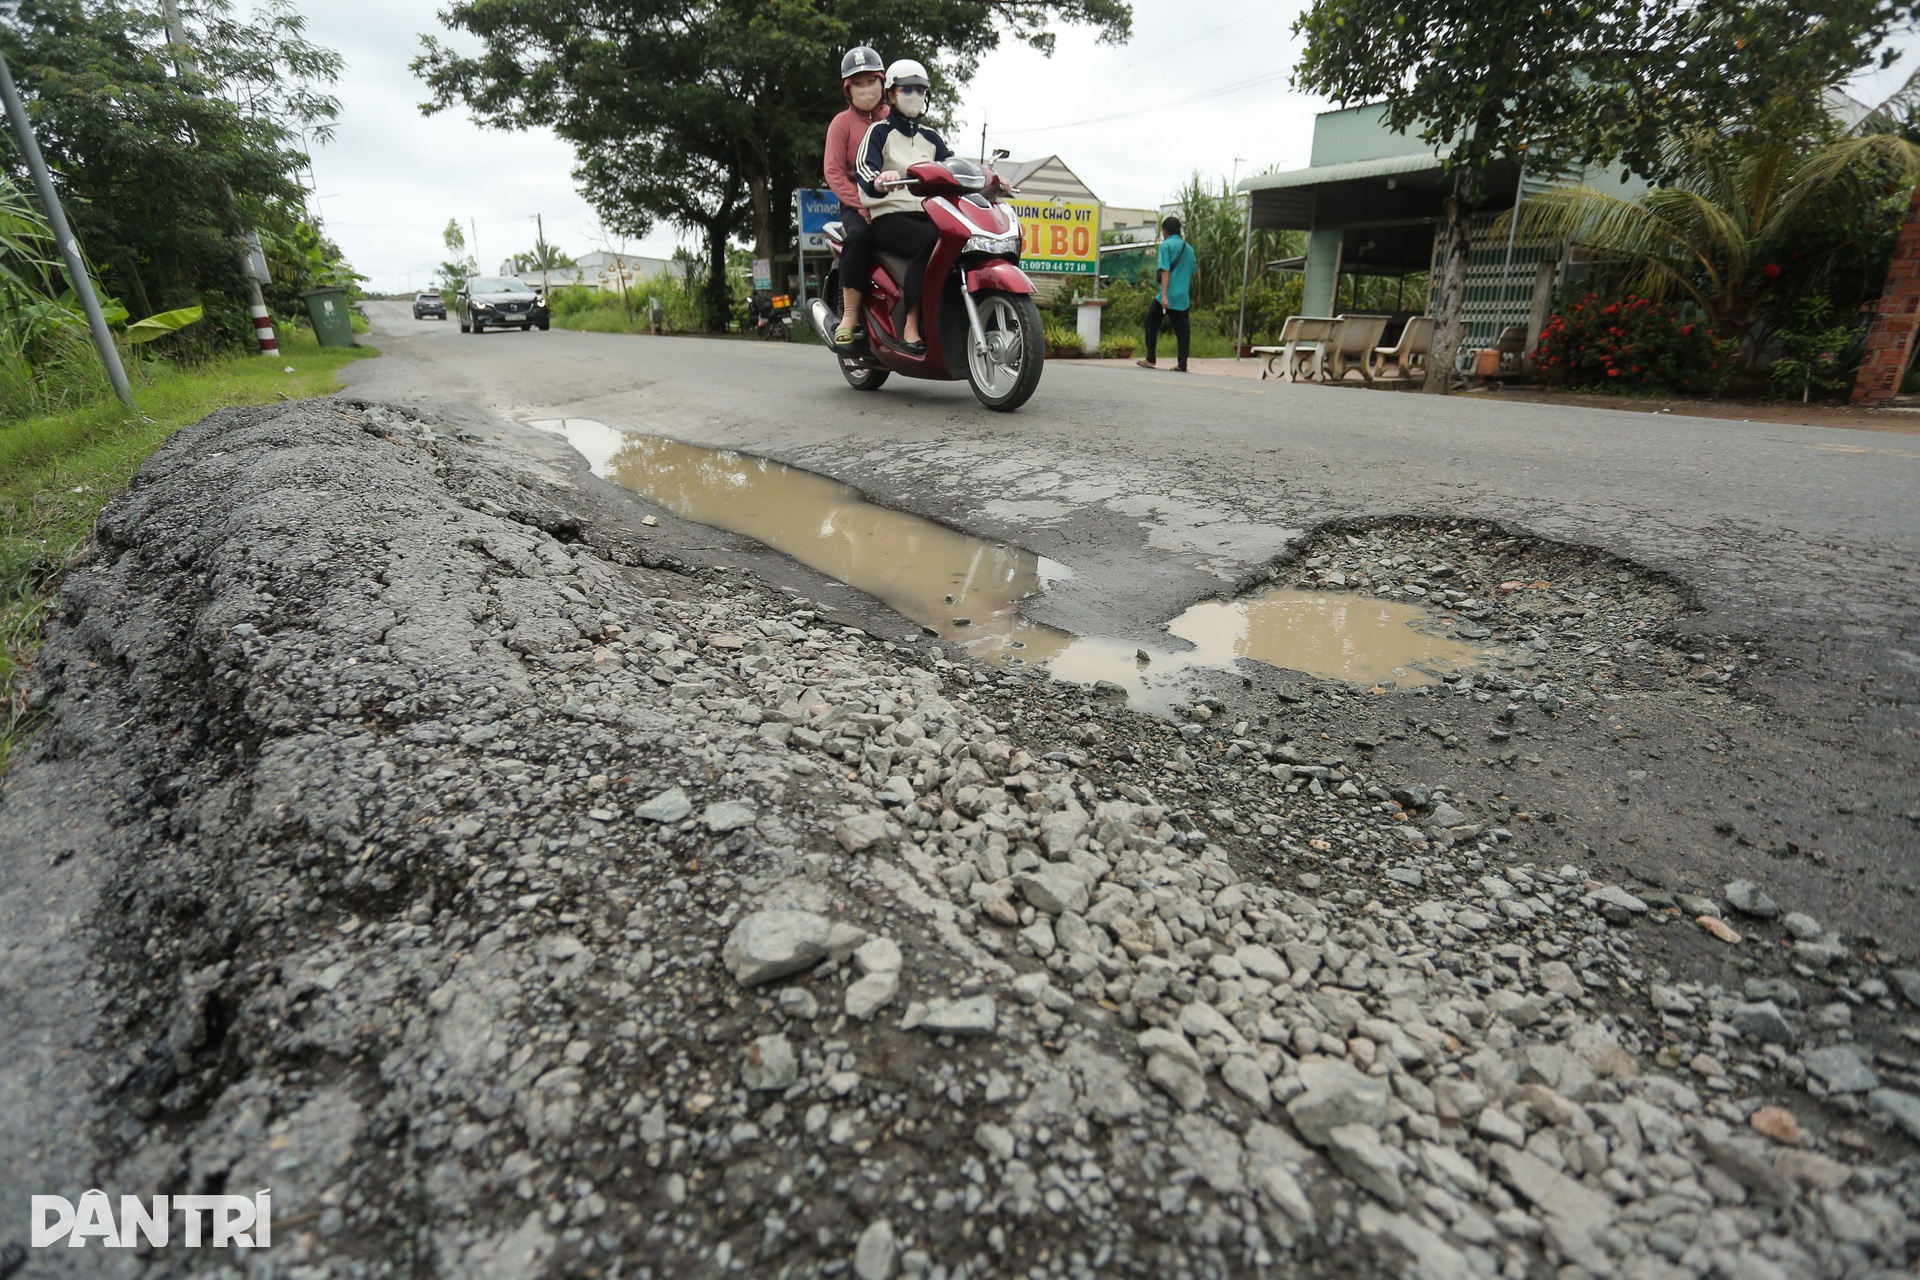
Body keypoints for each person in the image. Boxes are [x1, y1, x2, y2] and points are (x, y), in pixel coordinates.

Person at [856, 59, 953, 354]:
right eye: (907, 88)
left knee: (959, 240)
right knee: (934, 242)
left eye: (921, 90)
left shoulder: (933, 138)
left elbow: (954, 171)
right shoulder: (879, 132)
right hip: (890, 216)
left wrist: (990, 182)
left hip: (928, 214)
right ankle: (911, 325)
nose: (915, 95)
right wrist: (880, 179)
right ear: (892, 94)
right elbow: (863, 169)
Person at [823, 46, 888, 346]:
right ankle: (849, 313)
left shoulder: (895, 118)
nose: (866, 89)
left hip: (896, 200)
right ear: (847, 90)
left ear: (883, 83)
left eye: (870, 81)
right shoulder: (841, 123)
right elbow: (834, 172)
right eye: (857, 84)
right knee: (859, 237)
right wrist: (862, 204)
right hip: (856, 201)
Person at [1137, 215, 1197, 372]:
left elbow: (1165, 270)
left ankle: (1150, 358)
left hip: (1165, 295)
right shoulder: (1189, 249)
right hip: (1182, 297)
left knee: (1152, 323)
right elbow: (1194, 274)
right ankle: (1182, 364)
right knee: (1183, 332)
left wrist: (1164, 295)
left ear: (1165, 231)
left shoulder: (1166, 246)